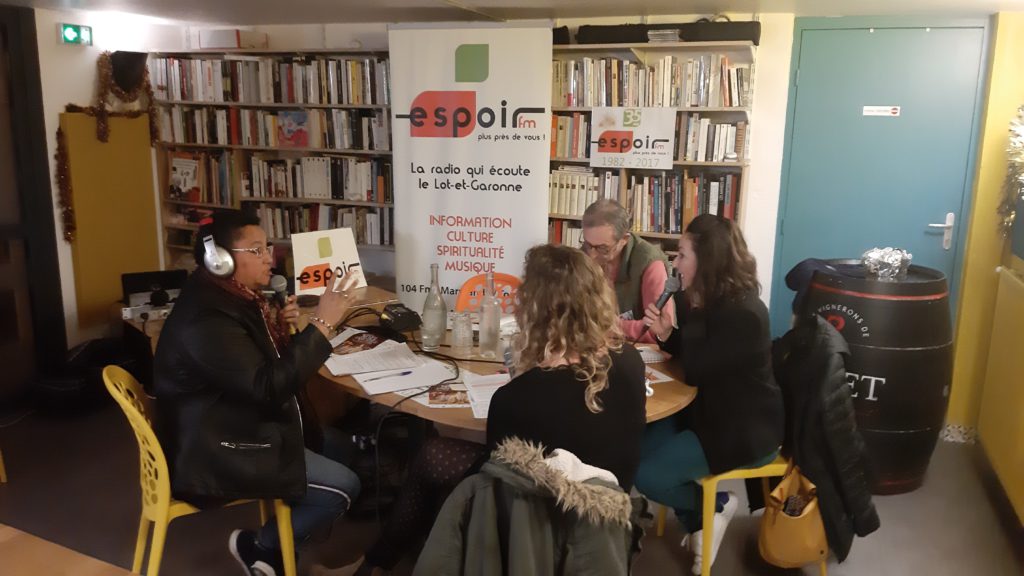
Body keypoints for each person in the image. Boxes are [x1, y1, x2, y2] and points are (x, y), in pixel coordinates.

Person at [335, 244, 647, 576]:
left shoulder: (517, 397)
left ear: (536, 310)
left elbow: (493, 482)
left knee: (432, 455)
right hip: (608, 519)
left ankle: (374, 565)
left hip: (540, 524)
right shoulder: (631, 362)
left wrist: (525, 375)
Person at [153, 209, 362, 576]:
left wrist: (279, 329)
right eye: (256, 250)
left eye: (267, 247)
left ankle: (274, 559)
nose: (270, 258)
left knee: (340, 446)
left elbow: (251, 368)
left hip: (232, 419)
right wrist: (323, 324)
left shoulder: (234, 297)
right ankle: (262, 546)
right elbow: (268, 387)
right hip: (214, 447)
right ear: (219, 260)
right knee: (345, 486)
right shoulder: (206, 319)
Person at [634, 214, 784, 576]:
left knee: (647, 475)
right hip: (706, 411)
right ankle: (702, 517)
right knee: (637, 445)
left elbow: (697, 369)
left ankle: (714, 506)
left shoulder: (743, 313)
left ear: (708, 261)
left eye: (683, 255)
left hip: (742, 429)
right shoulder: (707, 301)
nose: (675, 262)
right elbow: (693, 356)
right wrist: (667, 332)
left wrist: (691, 310)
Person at [581, 199, 675, 343]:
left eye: (602, 248)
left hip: (638, 348)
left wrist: (608, 327)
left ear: (624, 240)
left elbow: (660, 330)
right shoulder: (582, 255)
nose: (592, 255)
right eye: (588, 244)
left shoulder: (650, 263)